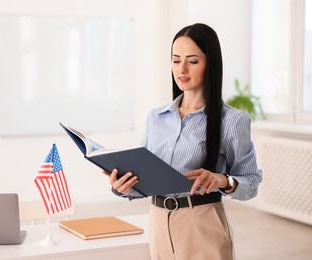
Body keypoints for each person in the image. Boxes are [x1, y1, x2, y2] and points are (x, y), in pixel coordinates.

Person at [103, 23, 263, 260]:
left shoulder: (232, 120)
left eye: (193, 61)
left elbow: (250, 184)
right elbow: (147, 178)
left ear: (211, 64)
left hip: (202, 223)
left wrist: (223, 179)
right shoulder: (155, 117)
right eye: (176, 60)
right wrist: (123, 187)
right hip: (158, 223)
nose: (182, 69)